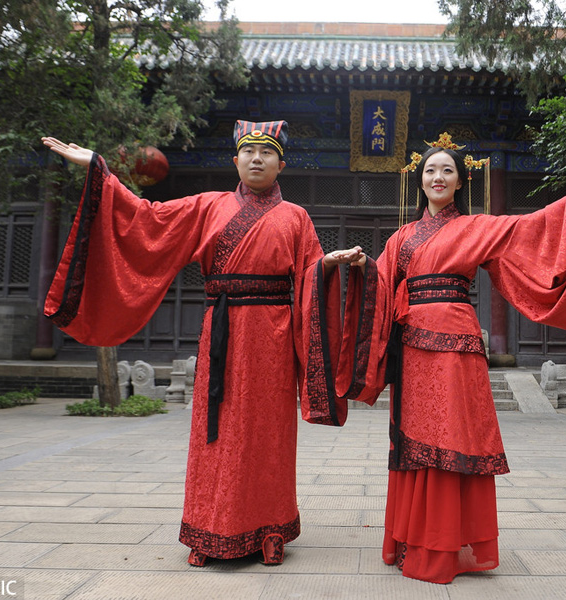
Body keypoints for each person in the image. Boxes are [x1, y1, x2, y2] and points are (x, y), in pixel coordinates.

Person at [41, 121, 360, 567]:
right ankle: (209, 528)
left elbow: (306, 274)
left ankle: (271, 527)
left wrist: (325, 263)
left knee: (268, 433)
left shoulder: (296, 217)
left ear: (281, 164)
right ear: (235, 160)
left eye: (266, 153)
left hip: (272, 336)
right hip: (222, 333)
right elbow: (146, 218)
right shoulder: (208, 206)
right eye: (248, 152)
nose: (256, 159)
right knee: (218, 431)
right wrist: (99, 167)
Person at [329, 135, 566, 584]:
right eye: (431, 170)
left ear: (460, 182)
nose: (438, 177)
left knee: (452, 436)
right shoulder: (402, 237)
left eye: (447, 170)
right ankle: (415, 538)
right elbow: (382, 283)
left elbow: (541, 225)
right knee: (414, 440)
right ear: (420, 180)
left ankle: (445, 545)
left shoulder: (478, 227)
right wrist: (356, 267)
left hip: (455, 345)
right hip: (411, 347)